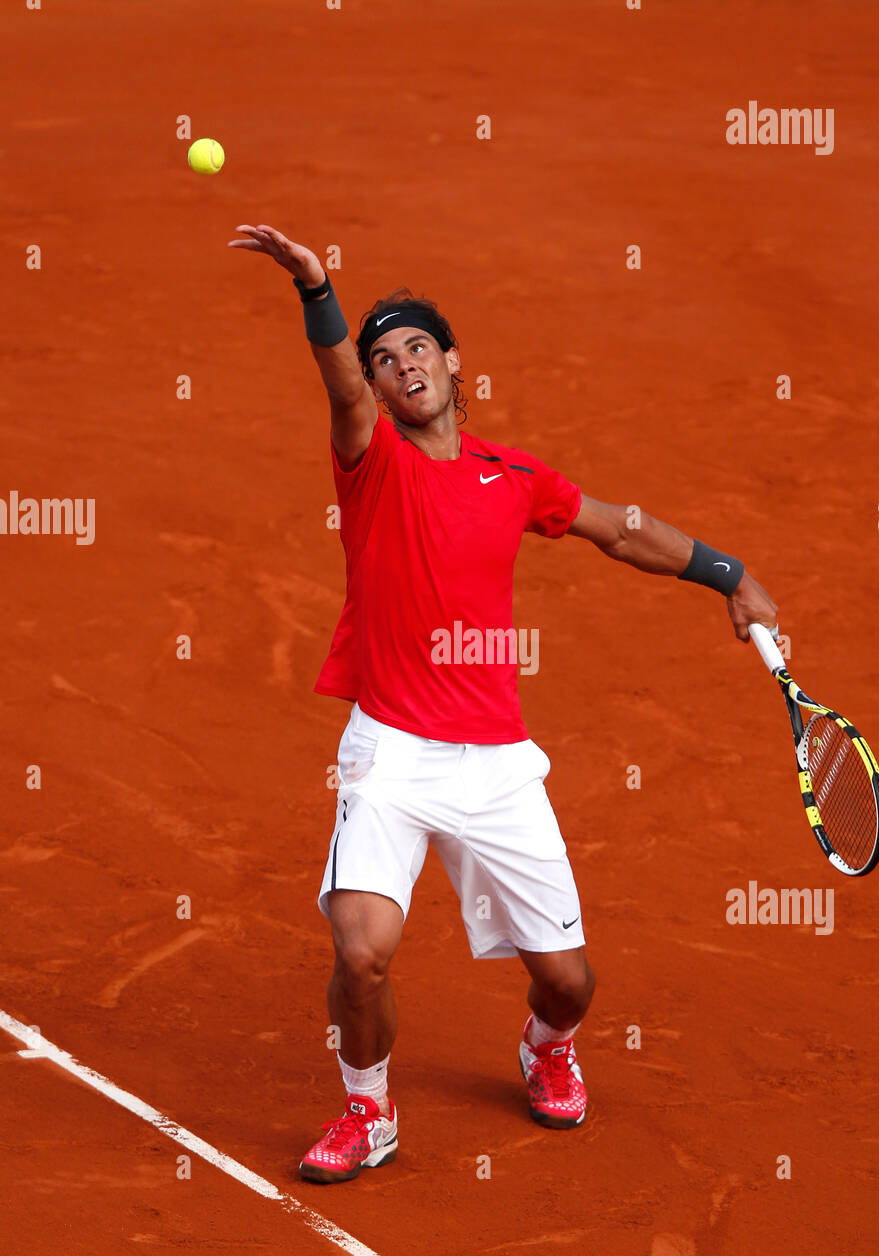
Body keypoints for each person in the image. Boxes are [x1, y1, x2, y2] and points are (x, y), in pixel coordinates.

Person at [229, 223, 779, 1184]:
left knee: (569, 981)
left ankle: (545, 1044)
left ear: (451, 364)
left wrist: (730, 575)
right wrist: (318, 289)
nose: (398, 368)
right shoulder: (372, 463)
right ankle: (369, 1112)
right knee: (360, 956)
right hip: (391, 752)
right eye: (382, 358)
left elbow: (621, 530)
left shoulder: (512, 478)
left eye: (414, 349)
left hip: (495, 764)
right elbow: (340, 386)